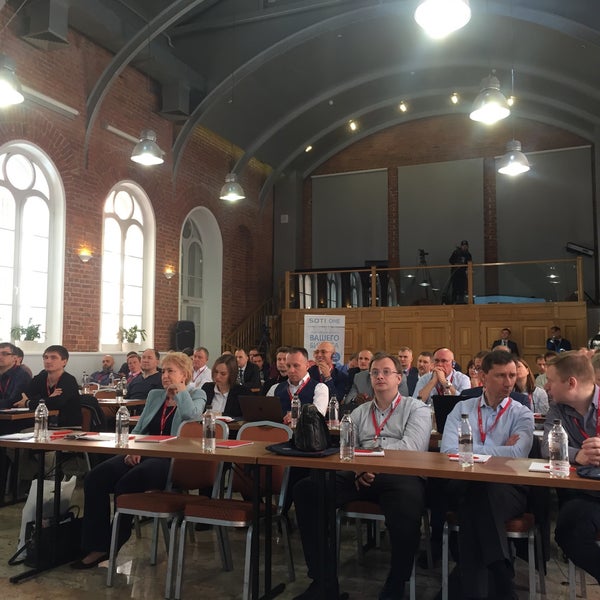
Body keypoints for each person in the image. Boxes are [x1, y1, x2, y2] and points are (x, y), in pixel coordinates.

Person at [293, 353, 431, 600]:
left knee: (407, 507)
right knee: (308, 490)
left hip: (400, 474)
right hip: (360, 473)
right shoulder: (359, 412)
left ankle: (396, 584)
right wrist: (358, 468)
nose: (379, 376)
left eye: (386, 372)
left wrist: (370, 464)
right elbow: (347, 447)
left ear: (399, 378)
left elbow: (411, 448)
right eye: (375, 372)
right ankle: (323, 582)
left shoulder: (416, 408)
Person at [72, 351, 206, 569]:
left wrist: (180, 391)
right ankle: (95, 544)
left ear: (185, 374)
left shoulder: (197, 394)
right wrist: (133, 449)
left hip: (172, 460)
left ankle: (113, 543)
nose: (165, 376)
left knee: (126, 484)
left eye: (171, 371)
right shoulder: (155, 395)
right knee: (95, 478)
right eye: (163, 371)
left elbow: (192, 417)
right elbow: (141, 428)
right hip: (143, 451)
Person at [440, 350, 534, 600]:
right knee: (477, 496)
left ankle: (476, 587)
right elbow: (448, 451)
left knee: (478, 500)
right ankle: (501, 574)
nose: (509, 382)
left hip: (508, 486)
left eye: (512, 375)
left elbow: (518, 453)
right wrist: (500, 450)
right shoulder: (462, 408)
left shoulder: (521, 412)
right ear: (483, 376)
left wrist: (471, 451)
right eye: (501, 375)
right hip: (465, 482)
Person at [541, 351, 600, 586]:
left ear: (571, 383)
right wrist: (579, 455)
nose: (546, 386)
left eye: (551, 380)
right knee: (568, 532)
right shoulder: (558, 410)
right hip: (586, 495)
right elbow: (546, 446)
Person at [14, 345, 81, 427]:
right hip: (42, 425)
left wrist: (28, 402)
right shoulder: (41, 377)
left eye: (53, 358)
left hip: (67, 427)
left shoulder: (69, 380)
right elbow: (21, 397)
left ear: (64, 362)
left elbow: (56, 403)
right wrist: (48, 399)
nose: (48, 361)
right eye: (45, 357)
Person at [267, 347, 328, 423]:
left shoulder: (319, 388)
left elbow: (318, 415)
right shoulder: (275, 388)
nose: (291, 370)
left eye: (296, 366)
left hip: (307, 433)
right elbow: (266, 413)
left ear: (307, 365)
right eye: (288, 366)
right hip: (280, 433)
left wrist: (297, 415)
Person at [201, 354, 245, 418]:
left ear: (232, 375)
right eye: (216, 372)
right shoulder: (207, 388)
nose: (217, 377)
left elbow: (242, 417)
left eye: (223, 374)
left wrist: (221, 415)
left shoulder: (241, 392)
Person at [0, 342, 31, 409]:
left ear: (14, 358)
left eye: (4, 354)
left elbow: (14, 401)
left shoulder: (22, 375)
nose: (0, 356)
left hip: (16, 416)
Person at [448, 240, 472, 304]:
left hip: (462, 273)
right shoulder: (456, 252)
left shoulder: (468, 255)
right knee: (455, 287)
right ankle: (453, 301)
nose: (464, 247)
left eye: (466, 246)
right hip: (455, 273)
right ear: (461, 246)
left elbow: (470, 264)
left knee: (462, 287)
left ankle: (461, 301)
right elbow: (450, 260)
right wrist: (455, 264)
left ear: (467, 247)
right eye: (463, 246)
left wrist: (466, 269)